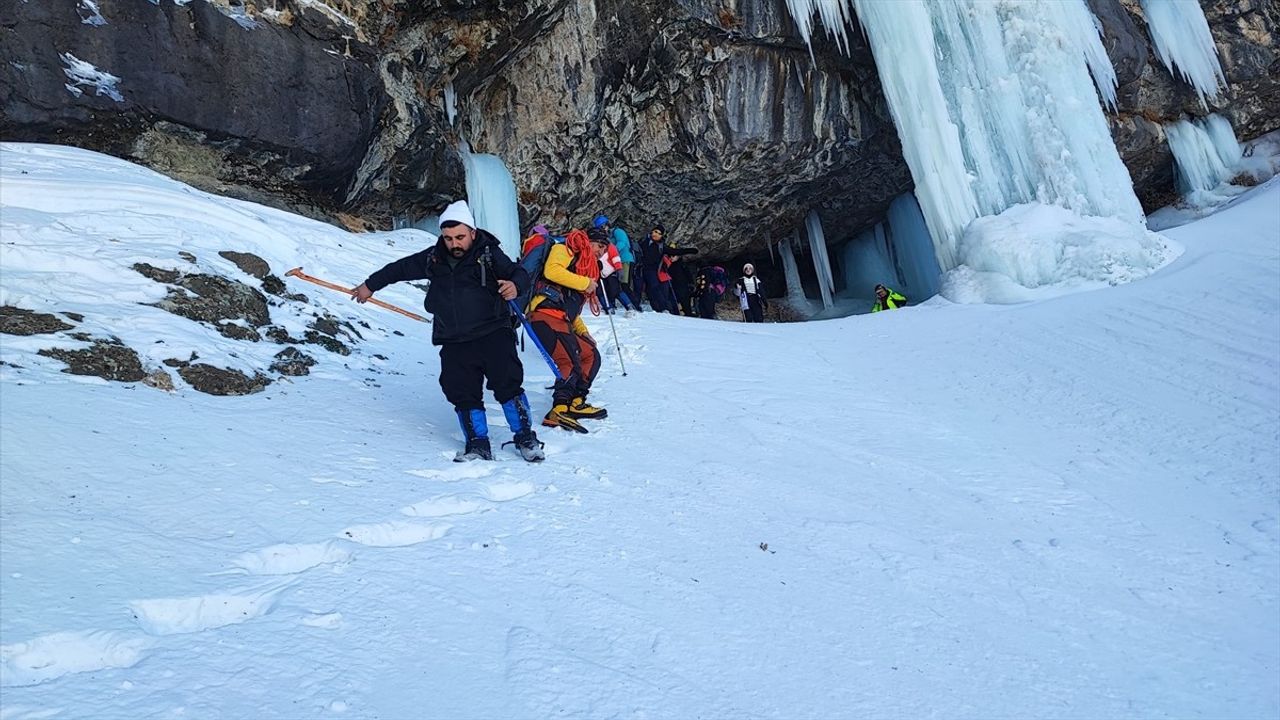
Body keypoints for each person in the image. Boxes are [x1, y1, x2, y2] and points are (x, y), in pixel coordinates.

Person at [352, 200, 545, 463]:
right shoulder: (434, 258)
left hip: (493, 333)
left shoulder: (488, 253)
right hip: (454, 339)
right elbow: (400, 268)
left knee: (508, 385)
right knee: (461, 390)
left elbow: (519, 273)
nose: (454, 243)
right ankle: (477, 443)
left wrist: (514, 285)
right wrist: (369, 285)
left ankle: (525, 437)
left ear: (472, 233)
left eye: (460, 237)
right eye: (448, 238)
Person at [527, 227, 608, 433]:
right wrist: (585, 282)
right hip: (544, 314)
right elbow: (551, 271)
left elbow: (571, 307)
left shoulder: (578, 268)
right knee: (568, 361)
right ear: (588, 241)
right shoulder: (565, 248)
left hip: (562, 318)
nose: (601, 251)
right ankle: (559, 408)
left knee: (591, 355)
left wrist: (582, 331)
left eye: (605, 248)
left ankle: (576, 402)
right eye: (599, 245)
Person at [590, 226, 639, 314]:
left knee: (615, 290)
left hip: (610, 271)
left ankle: (629, 305)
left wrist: (619, 269)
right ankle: (608, 307)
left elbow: (615, 257)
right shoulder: (592, 246)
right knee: (600, 291)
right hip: (598, 273)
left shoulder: (609, 245)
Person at [640, 225, 670, 313]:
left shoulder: (660, 245)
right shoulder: (645, 241)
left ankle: (663, 307)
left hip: (652, 270)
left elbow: (673, 251)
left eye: (659, 233)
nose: (655, 234)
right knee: (647, 289)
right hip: (642, 268)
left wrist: (688, 250)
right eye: (655, 231)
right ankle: (656, 308)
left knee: (654, 288)